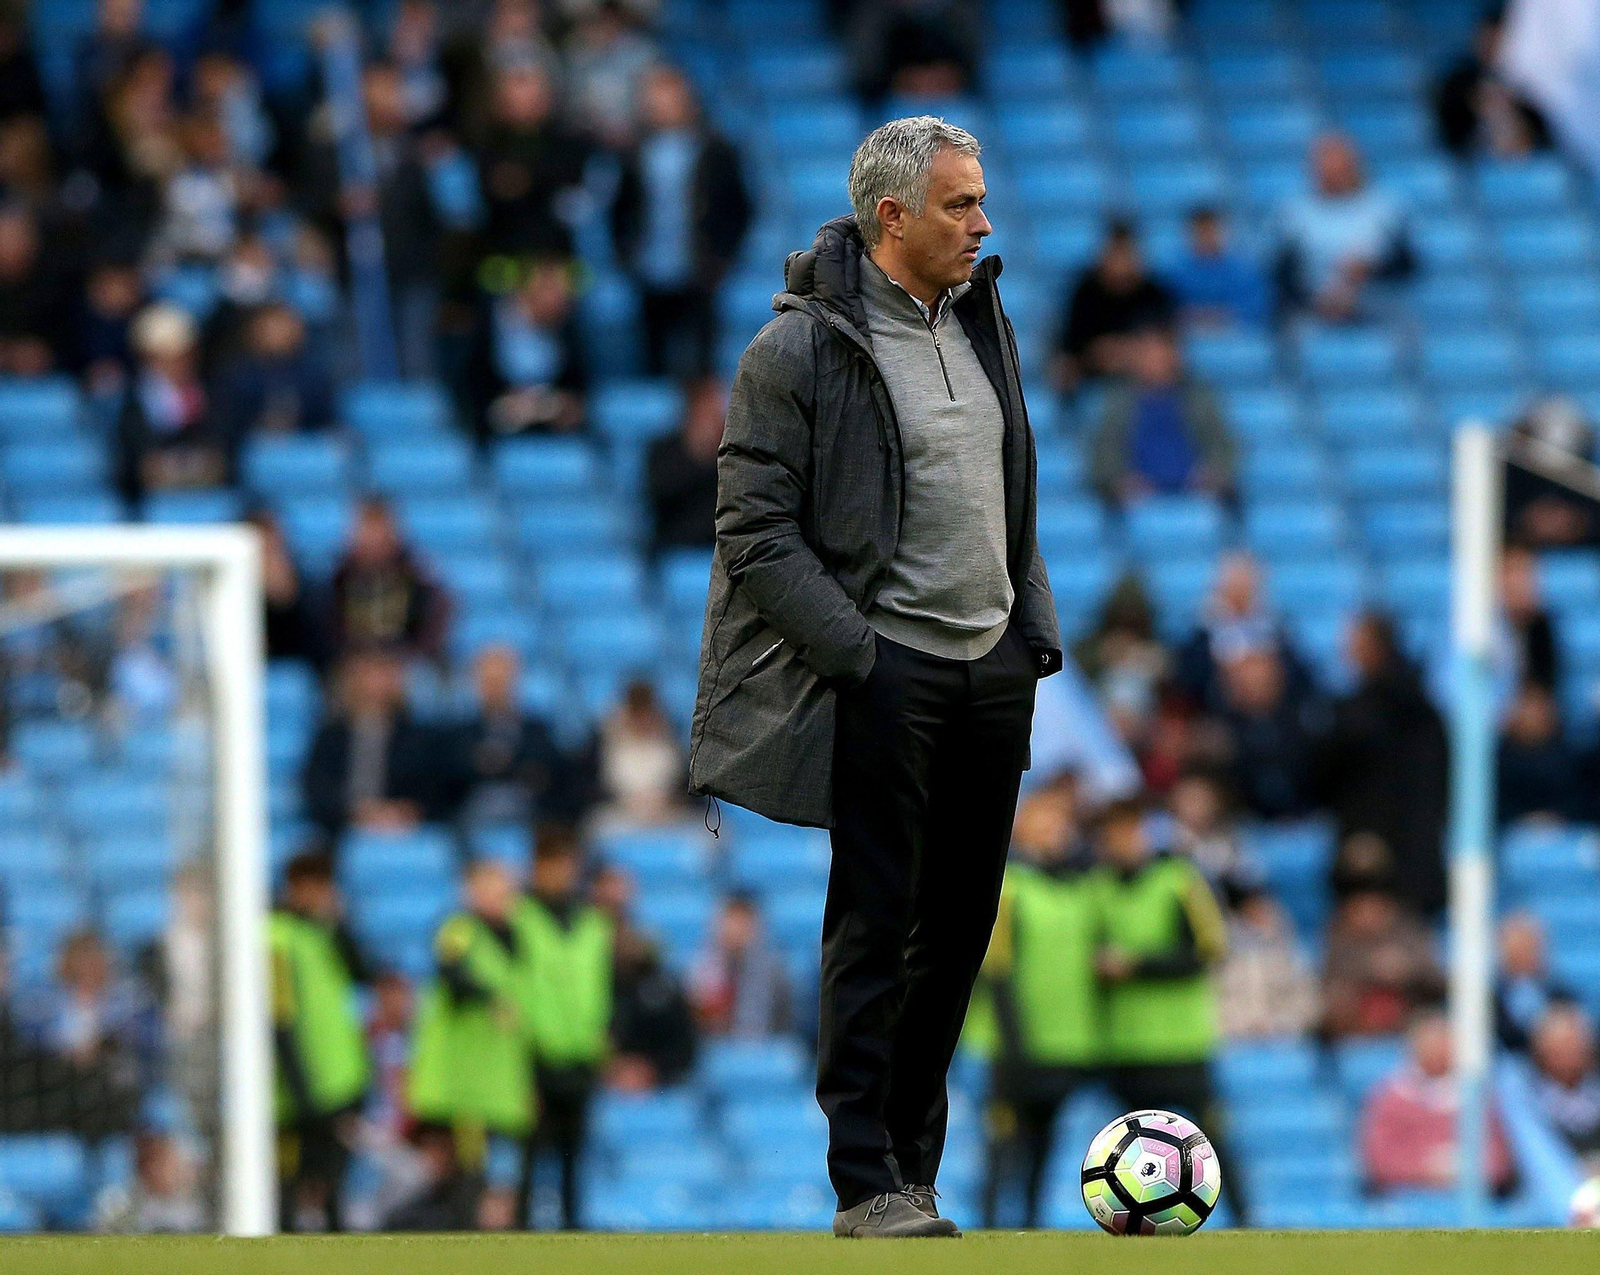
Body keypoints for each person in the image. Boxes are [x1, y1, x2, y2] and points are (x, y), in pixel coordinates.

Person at [689, 117, 1061, 1240]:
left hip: (988, 666)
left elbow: (1008, 491)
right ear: (889, 217)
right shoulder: (794, 351)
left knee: (956, 932)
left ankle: (914, 1171)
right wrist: (860, 656)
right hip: (885, 668)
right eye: (960, 204)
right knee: (877, 921)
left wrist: (1025, 634)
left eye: (982, 200)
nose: (983, 223)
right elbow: (752, 532)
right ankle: (864, 1181)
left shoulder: (983, 319)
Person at [1092, 798, 1245, 1222]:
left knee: (1211, 1143)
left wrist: (1136, 966)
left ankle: (1247, 1223)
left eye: (1128, 830)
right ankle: (1137, 1222)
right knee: (1131, 1158)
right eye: (1111, 834)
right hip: (1125, 1044)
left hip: (1182, 1041)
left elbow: (1210, 949)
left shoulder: (1178, 880)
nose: (1120, 842)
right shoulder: (1097, 887)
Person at [977, 777, 1101, 1230]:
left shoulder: (1082, 888)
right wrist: (1014, 1041)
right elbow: (998, 971)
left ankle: (1031, 1229)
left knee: (1044, 1149)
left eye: (1061, 822)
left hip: (1066, 1044)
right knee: (1003, 1148)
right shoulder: (1008, 887)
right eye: (1045, 821)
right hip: (1015, 1045)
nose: (1055, 831)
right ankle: (988, 1230)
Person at [407, 859, 534, 1229]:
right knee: (469, 1168)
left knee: (487, 1168)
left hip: (498, 1078)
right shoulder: (459, 929)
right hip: (463, 1080)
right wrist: (488, 996)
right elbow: (451, 970)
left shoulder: (518, 935)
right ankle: (464, 1242)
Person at [610, 64, 751, 379]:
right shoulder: (633, 153)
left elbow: (740, 208)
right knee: (653, 363)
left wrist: (722, 258)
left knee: (702, 363)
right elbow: (620, 210)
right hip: (649, 271)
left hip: (700, 272)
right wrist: (624, 253)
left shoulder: (716, 149)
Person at [1310, 613, 1449, 917]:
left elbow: (1321, 780)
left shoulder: (1355, 717)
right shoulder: (1427, 713)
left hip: (1371, 865)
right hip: (1418, 869)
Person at [512, 827, 613, 1231]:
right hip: (535, 1054)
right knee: (531, 1156)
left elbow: (604, 988)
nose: (559, 874)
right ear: (536, 869)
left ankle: (573, 1232)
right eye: (550, 866)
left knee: (574, 1156)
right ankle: (520, 1235)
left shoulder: (593, 923)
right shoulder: (519, 919)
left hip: (582, 1054)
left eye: (564, 865)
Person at [270, 851, 372, 1233]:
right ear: (295, 888)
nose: (321, 895)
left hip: (336, 1079)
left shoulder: (323, 932)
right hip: (294, 1089)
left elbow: (364, 973)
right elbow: (278, 1019)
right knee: (288, 1185)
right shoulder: (275, 938)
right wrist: (301, 1088)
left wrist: (341, 924)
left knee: (333, 1182)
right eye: (314, 886)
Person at [302, 648, 450, 837]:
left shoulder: (420, 737)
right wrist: (356, 812)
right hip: (341, 829)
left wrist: (405, 811)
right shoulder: (331, 736)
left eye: (383, 675)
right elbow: (317, 787)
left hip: (406, 829)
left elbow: (435, 789)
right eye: (367, 675)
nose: (375, 684)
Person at [1361, 1010, 1513, 1193]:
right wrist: (1428, 1169)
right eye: (1431, 1043)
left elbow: (1498, 1162)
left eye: (1444, 1042)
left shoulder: (1478, 1096)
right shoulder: (1390, 1097)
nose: (1438, 1050)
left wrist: (1460, 1166)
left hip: (1468, 1196)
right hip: (1406, 1201)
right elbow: (1379, 1161)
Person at [1088, 325, 1236, 507]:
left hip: (1195, 492)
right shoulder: (1117, 401)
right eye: (1148, 354)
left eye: (1161, 353)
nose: (1155, 361)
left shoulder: (1200, 397)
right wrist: (1119, 480)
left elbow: (1223, 443)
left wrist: (1212, 474)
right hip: (1135, 498)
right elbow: (1104, 449)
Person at [1273, 134, 1413, 323]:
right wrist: (1317, 300)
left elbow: (1408, 264)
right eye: (1325, 166)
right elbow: (1280, 273)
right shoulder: (1293, 212)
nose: (1333, 172)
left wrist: (1372, 269)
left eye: (1340, 166)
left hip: (1376, 303)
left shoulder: (1386, 207)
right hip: (1312, 306)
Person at [115, 303, 232, 511]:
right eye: (164, 357)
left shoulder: (209, 394)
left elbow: (220, 451)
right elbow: (135, 461)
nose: (176, 364)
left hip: (206, 490)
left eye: (182, 356)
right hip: (149, 497)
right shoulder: (134, 402)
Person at [595, 865, 698, 1092]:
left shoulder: (655, 977)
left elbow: (683, 1045)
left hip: (654, 1084)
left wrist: (649, 1068)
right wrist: (607, 1066)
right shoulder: (576, 972)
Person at [465, 255, 587, 439]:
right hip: (493, 436)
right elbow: (469, 387)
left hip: (553, 437)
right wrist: (500, 408)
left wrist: (563, 407)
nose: (562, 303)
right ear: (530, 290)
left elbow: (579, 391)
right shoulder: (486, 323)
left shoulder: (568, 330)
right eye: (552, 293)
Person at [448, 644, 570, 827]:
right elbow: (453, 774)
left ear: (513, 681)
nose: (495, 689)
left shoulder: (536, 729)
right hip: (472, 812)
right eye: (489, 681)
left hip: (527, 809)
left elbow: (548, 769)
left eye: (500, 681)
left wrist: (500, 763)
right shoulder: (460, 732)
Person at [1052, 219, 1175, 390]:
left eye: (1126, 254)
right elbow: (1073, 345)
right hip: (1092, 378)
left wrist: (1123, 352)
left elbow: (1165, 347)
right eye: (1116, 254)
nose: (1121, 263)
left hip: (1142, 381)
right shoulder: (1085, 293)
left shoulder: (1155, 294)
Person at [328, 499, 449, 663]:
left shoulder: (421, 583)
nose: (374, 538)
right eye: (367, 529)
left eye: (379, 528)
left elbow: (430, 635)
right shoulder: (333, 584)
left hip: (406, 667)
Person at [1321, 888, 1447, 1039]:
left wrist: (1407, 970)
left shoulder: (1411, 935)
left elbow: (1437, 985)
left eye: (1375, 904)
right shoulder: (1337, 941)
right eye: (1360, 905)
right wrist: (1370, 970)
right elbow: (1328, 992)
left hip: (1409, 1024)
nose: (1368, 912)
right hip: (1354, 1034)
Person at [1433, 8, 1551, 158]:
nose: (1490, 46)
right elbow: (1450, 129)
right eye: (1485, 39)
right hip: (1474, 160)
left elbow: (1546, 126)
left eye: (1497, 39)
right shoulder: (1459, 81)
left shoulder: (1532, 80)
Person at [216, 303, 335, 438]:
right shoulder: (240, 375)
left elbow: (325, 420)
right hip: (253, 445)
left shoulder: (313, 375)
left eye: (283, 326)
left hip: (304, 445)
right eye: (271, 327)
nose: (278, 333)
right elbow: (231, 422)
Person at [1217, 888, 1319, 1039]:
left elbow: (1309, 1005)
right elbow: (1211, 1005)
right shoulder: (1220, 957)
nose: (1257, 913)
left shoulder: (1292, 958)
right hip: (1233, 1043)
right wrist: (1242, 1025)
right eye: (1250, 908)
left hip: (1283, 1044)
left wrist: (1278, 1025)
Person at [690, 890, 792, 1039]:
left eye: (743, 920)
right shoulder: (700, 970)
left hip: (761, 1051)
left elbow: (784, 1024)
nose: (736, 928)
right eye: (731, 919)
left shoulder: (775, 973)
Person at [592, 679, 688, 830]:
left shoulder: (670, 741)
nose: (642, 720)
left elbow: (684, 785)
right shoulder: (606, 742)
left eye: (647, 714)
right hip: (621, 813)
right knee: (596, 826)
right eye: (637, 713)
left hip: (667, 813)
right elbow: (598, 785)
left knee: (712, 831)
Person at [646, 375, 724, 557]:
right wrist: (699, 453)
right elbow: (660, 494)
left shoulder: (735, 454)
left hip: (721, 553)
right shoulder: (662, 450)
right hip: (674, 548)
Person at [1166, 206, 1271, 329]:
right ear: (1189, 235)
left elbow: (1257, 307)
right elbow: (1169, 310)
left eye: (1211, 231)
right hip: (1190, 335)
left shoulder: (1243, 270)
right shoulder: (1176, 273)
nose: (1206, 238)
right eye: (1201, 232)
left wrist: (1222, 316)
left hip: (1237, 335)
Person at [1497, 680, 1582, 824]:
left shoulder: (1572, 759)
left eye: (1539, 706)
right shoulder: (1497, 764)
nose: (1534, 714)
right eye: (1528, 706)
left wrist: (1556, 817)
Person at [1495, 913, 1576, 1055]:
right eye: (1516, 948)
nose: (1522, 955)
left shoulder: (1562, 998)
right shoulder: (1488, 1001)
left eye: (1528, 947)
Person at [1529, 1006, 1600, 1162]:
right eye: (1560, 1049)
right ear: (1541, 1053)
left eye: (1576, 1046)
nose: (1570, 1056)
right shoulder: (1529, 1100)